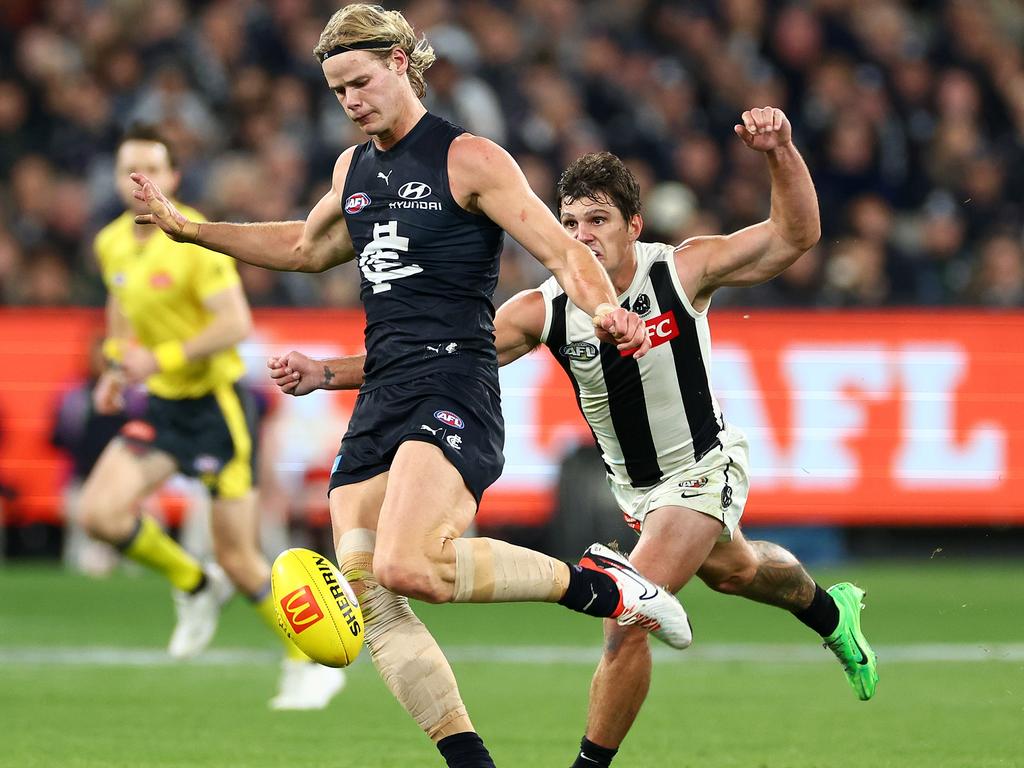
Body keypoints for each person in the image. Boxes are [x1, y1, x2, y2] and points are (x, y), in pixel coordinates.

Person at [130, 6, 690, 768]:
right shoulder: (352, 170)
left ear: (400, 63)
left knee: (407, 565)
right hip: (384, 390)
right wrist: (191, 227)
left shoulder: (469, 159)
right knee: (374, 596)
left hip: (454, 378)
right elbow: (302, 244)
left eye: (360, 81)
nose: (351, 101)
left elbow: (562, 252)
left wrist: (604, 310)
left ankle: (603, 588)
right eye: (336, 91)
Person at [270, 107, 879, 767]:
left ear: (633, 226)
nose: (582, 237)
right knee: (738, 572)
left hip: (704, 468)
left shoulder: (681, 271)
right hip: (637, 491)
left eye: (598, 221)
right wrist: (325, 372)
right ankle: (827, 611)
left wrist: (781, 150)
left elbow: (797, 235)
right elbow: (435, 355)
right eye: (569, 224)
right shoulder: (545, 309)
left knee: (627, 616)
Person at [81, 123, 345, 711]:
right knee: (99, 514)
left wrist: (162, 357)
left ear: (173, 177)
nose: (137, 182)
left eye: (150, 168)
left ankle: (310, 662)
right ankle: (194, 585)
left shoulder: (192, 242)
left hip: (215, 407)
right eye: (127, 169)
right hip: (162, 406)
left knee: (238, 554)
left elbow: (235, 325)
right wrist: (116, 369)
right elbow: (121, 304)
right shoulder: (111, 243)